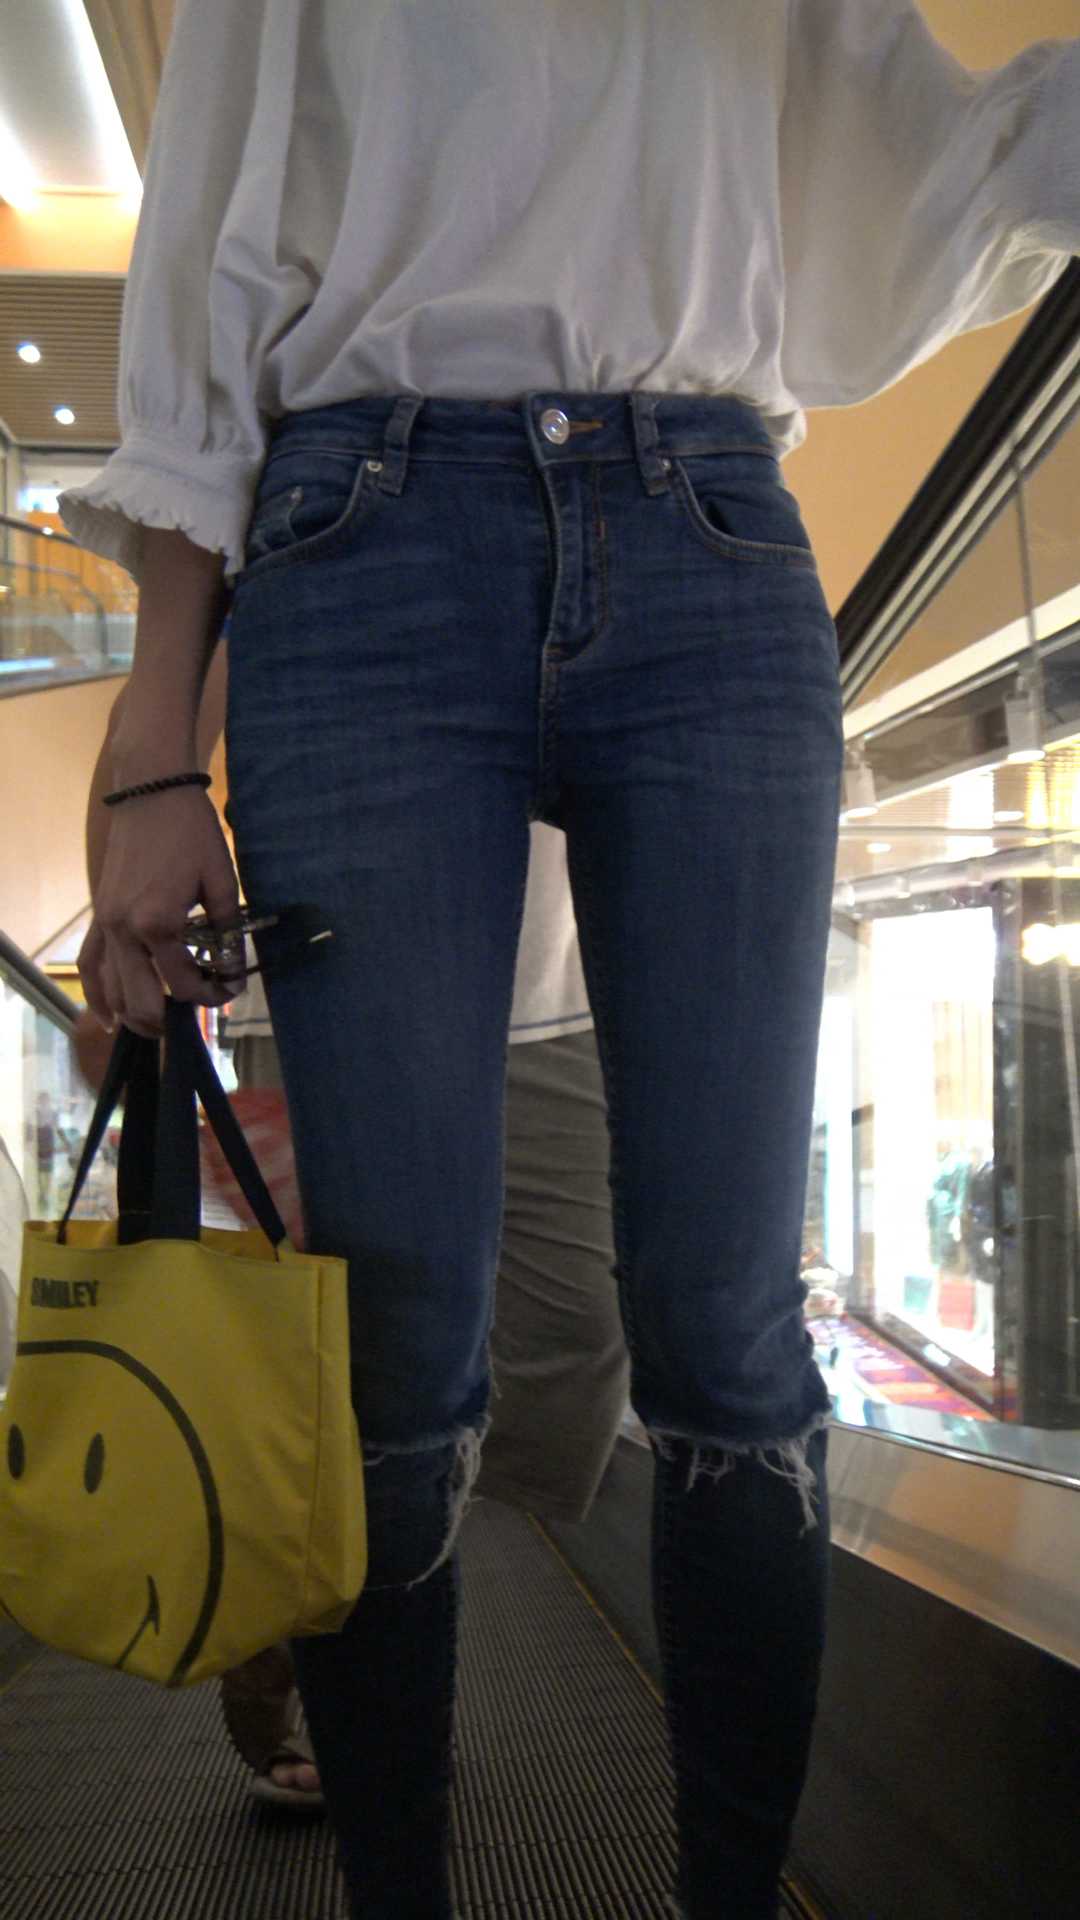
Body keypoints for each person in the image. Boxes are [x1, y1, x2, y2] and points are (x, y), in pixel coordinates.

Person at [58, 5, 1079, 1914]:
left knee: (729, 1335)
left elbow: (927, 163)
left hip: (705, 523)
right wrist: (151, 746)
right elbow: (211, 250)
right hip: (361, 540)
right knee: (397, 1333)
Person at [77, 655, 628, 1811]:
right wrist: (117, 955)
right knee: (348, 1383)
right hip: (324, 989)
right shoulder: (298, 547)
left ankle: (329, 1608)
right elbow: (159, 719)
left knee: (573, 1348)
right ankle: (348, 1692)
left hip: (557, 992)